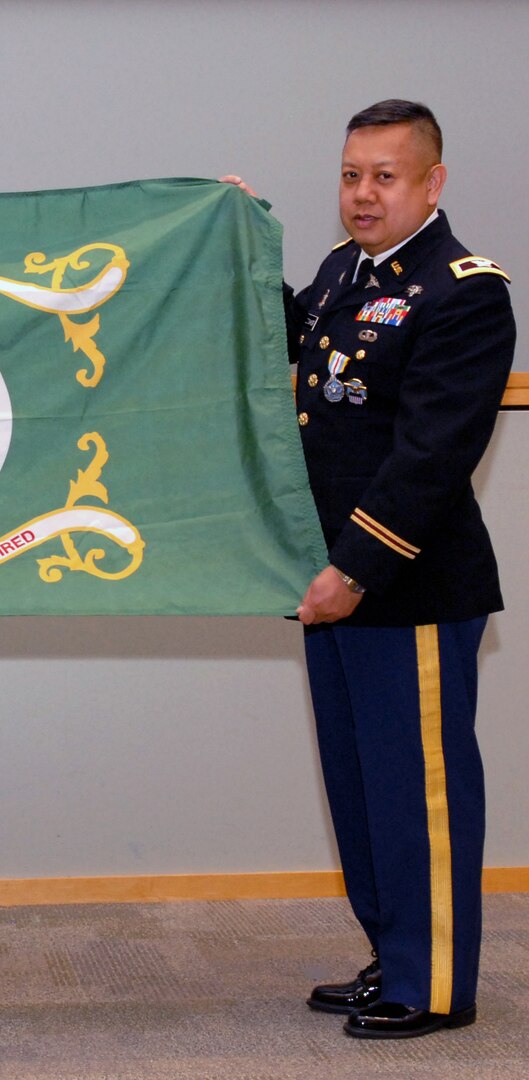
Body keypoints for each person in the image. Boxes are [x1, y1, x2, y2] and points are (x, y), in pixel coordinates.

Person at [272, 100, 514, 1039]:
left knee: (420, 793)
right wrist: (230, 245)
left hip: (402, 586)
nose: (361, 194)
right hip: (329, 582)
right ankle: (393, 956)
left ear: (431, 182)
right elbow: (282, 345)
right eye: (349, 175)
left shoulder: (464, 291)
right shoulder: (344, 272)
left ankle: (436, 984)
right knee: (362, 785)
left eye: (383, 176)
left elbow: (431, 455)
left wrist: (356, 568)